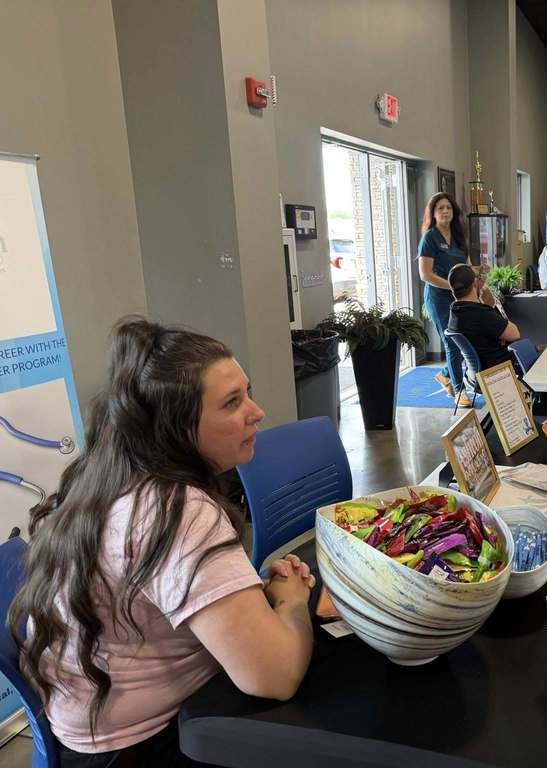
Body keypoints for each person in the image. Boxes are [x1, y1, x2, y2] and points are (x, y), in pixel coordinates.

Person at [7, 317, 316, 766]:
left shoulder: (107, 472)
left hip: (85, 733)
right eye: (231, 403)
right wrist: (290, 601)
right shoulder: (175, 511)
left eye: (246, 392)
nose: (256, 412)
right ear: (175, 426)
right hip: (143, 747)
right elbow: (275, 676)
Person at [418, 192, 471, 404]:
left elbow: (466, 266)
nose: (445, 211)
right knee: (451, 341)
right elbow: (425, 274)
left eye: (448, 207)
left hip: (458, 297)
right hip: (438, 298)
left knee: (462, 341)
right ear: (433, 212)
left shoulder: (458, 237)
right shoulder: (429, 237)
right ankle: (459, 391)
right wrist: (452, 286)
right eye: (440, 208)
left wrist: (475, 274)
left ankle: (446, 375)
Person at [447, 263, 520, 374]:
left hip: (477, 373)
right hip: (499, 372)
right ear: (475, 284)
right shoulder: (480, 313)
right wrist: (492, 308)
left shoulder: (454, 312)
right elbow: (515, 334)